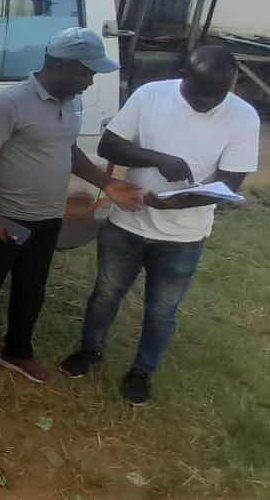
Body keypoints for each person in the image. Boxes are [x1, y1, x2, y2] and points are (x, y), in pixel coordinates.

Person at [60, 46, 260, 406]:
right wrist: (157, 159)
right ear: (184, 75)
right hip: (127, 222)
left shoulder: (244, 117)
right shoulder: (150, 95)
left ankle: (142, 372)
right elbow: (109, 146)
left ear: (230, 84)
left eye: (217, 95)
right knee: (106, 293)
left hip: (184, 236)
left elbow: (229, 183)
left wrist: (174, 203)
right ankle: (90, 351)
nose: (207, 103)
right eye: (200, 94)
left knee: (162, 310)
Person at [0, 27, 144, 387]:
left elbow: (68, 149)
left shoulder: (71, 103)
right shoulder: (11, 103)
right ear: (59, 66)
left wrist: (106, 183)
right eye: (85, 73)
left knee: (32, 288)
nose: (90, 81)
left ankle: (17, 351)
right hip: (7, 216)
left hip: (48, 216)